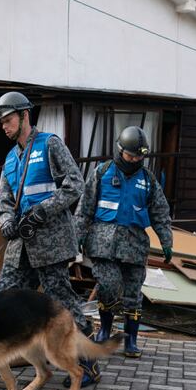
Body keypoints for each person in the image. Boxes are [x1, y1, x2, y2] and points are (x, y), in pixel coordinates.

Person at [0, 91, 101, 387]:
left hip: (50, 243)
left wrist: (43, 211)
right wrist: (7, 221)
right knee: (0, 301)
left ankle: (88, 363)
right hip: (20, 248)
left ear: (25, 115)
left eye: (8, 120)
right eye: (1, 123)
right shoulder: (11, 158)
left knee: (62, 302)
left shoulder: (50, 144)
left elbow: (75, 184)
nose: (4, 126)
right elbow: (3, 198)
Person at [75, 126, 173, 358]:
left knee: (133, 295)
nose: (135, 160)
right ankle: (105, 330)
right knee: (108, 286)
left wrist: (166, 240)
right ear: (120, 150)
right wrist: (78, 235)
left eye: (140, 156)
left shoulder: (148, 180)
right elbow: (85, 207)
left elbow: (160, 212)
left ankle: (131, 340)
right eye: (131, 155)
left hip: (135, 246)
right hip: (103, 244)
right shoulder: (102, 172)